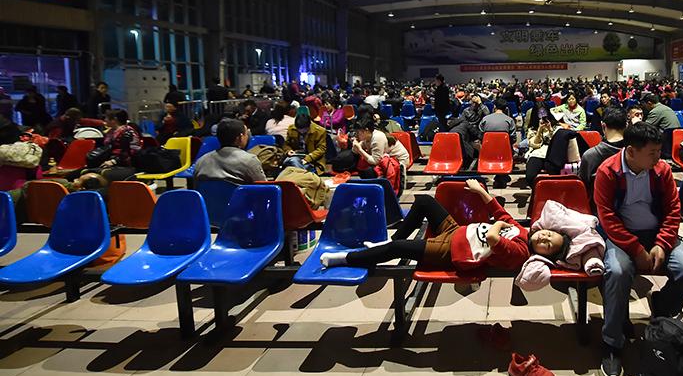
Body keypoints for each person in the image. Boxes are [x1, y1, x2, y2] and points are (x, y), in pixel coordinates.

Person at [593, 121, 683, 376]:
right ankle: (612, 343)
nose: (658, 157)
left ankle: (662, 305)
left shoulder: (661, 171)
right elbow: (607, 217)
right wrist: (636, 249)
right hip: (621, 237)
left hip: (657, 235)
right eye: (652, 152)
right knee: (617, 272)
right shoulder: (607, 172)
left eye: (658, 151)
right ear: (631, 151)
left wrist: (662, 243)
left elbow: (673, 210)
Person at [320, 179, 538, 272]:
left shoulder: (521, 252)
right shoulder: (520, 231)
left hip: (452, 250)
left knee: (398, 249)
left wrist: (498, 224)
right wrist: (481, 191)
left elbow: (493, 237)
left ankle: (345, 258)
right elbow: (498, 210)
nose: (544, 237)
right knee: (424, 201)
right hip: (456, 231)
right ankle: (387, 242)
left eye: (547, 244)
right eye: (549, 234)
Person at [193, 118, 267, 184]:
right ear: (240, 137)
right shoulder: (250, 160)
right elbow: (263, 189)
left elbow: (196, 186)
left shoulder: (201, 161)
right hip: (239, 196)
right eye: (246, 134)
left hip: (208, 196)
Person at [578, 107, 627, 191]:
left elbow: (583, 188)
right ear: (626, 125)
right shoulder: (637, 154)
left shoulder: (589, 156)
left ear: (603, 125)